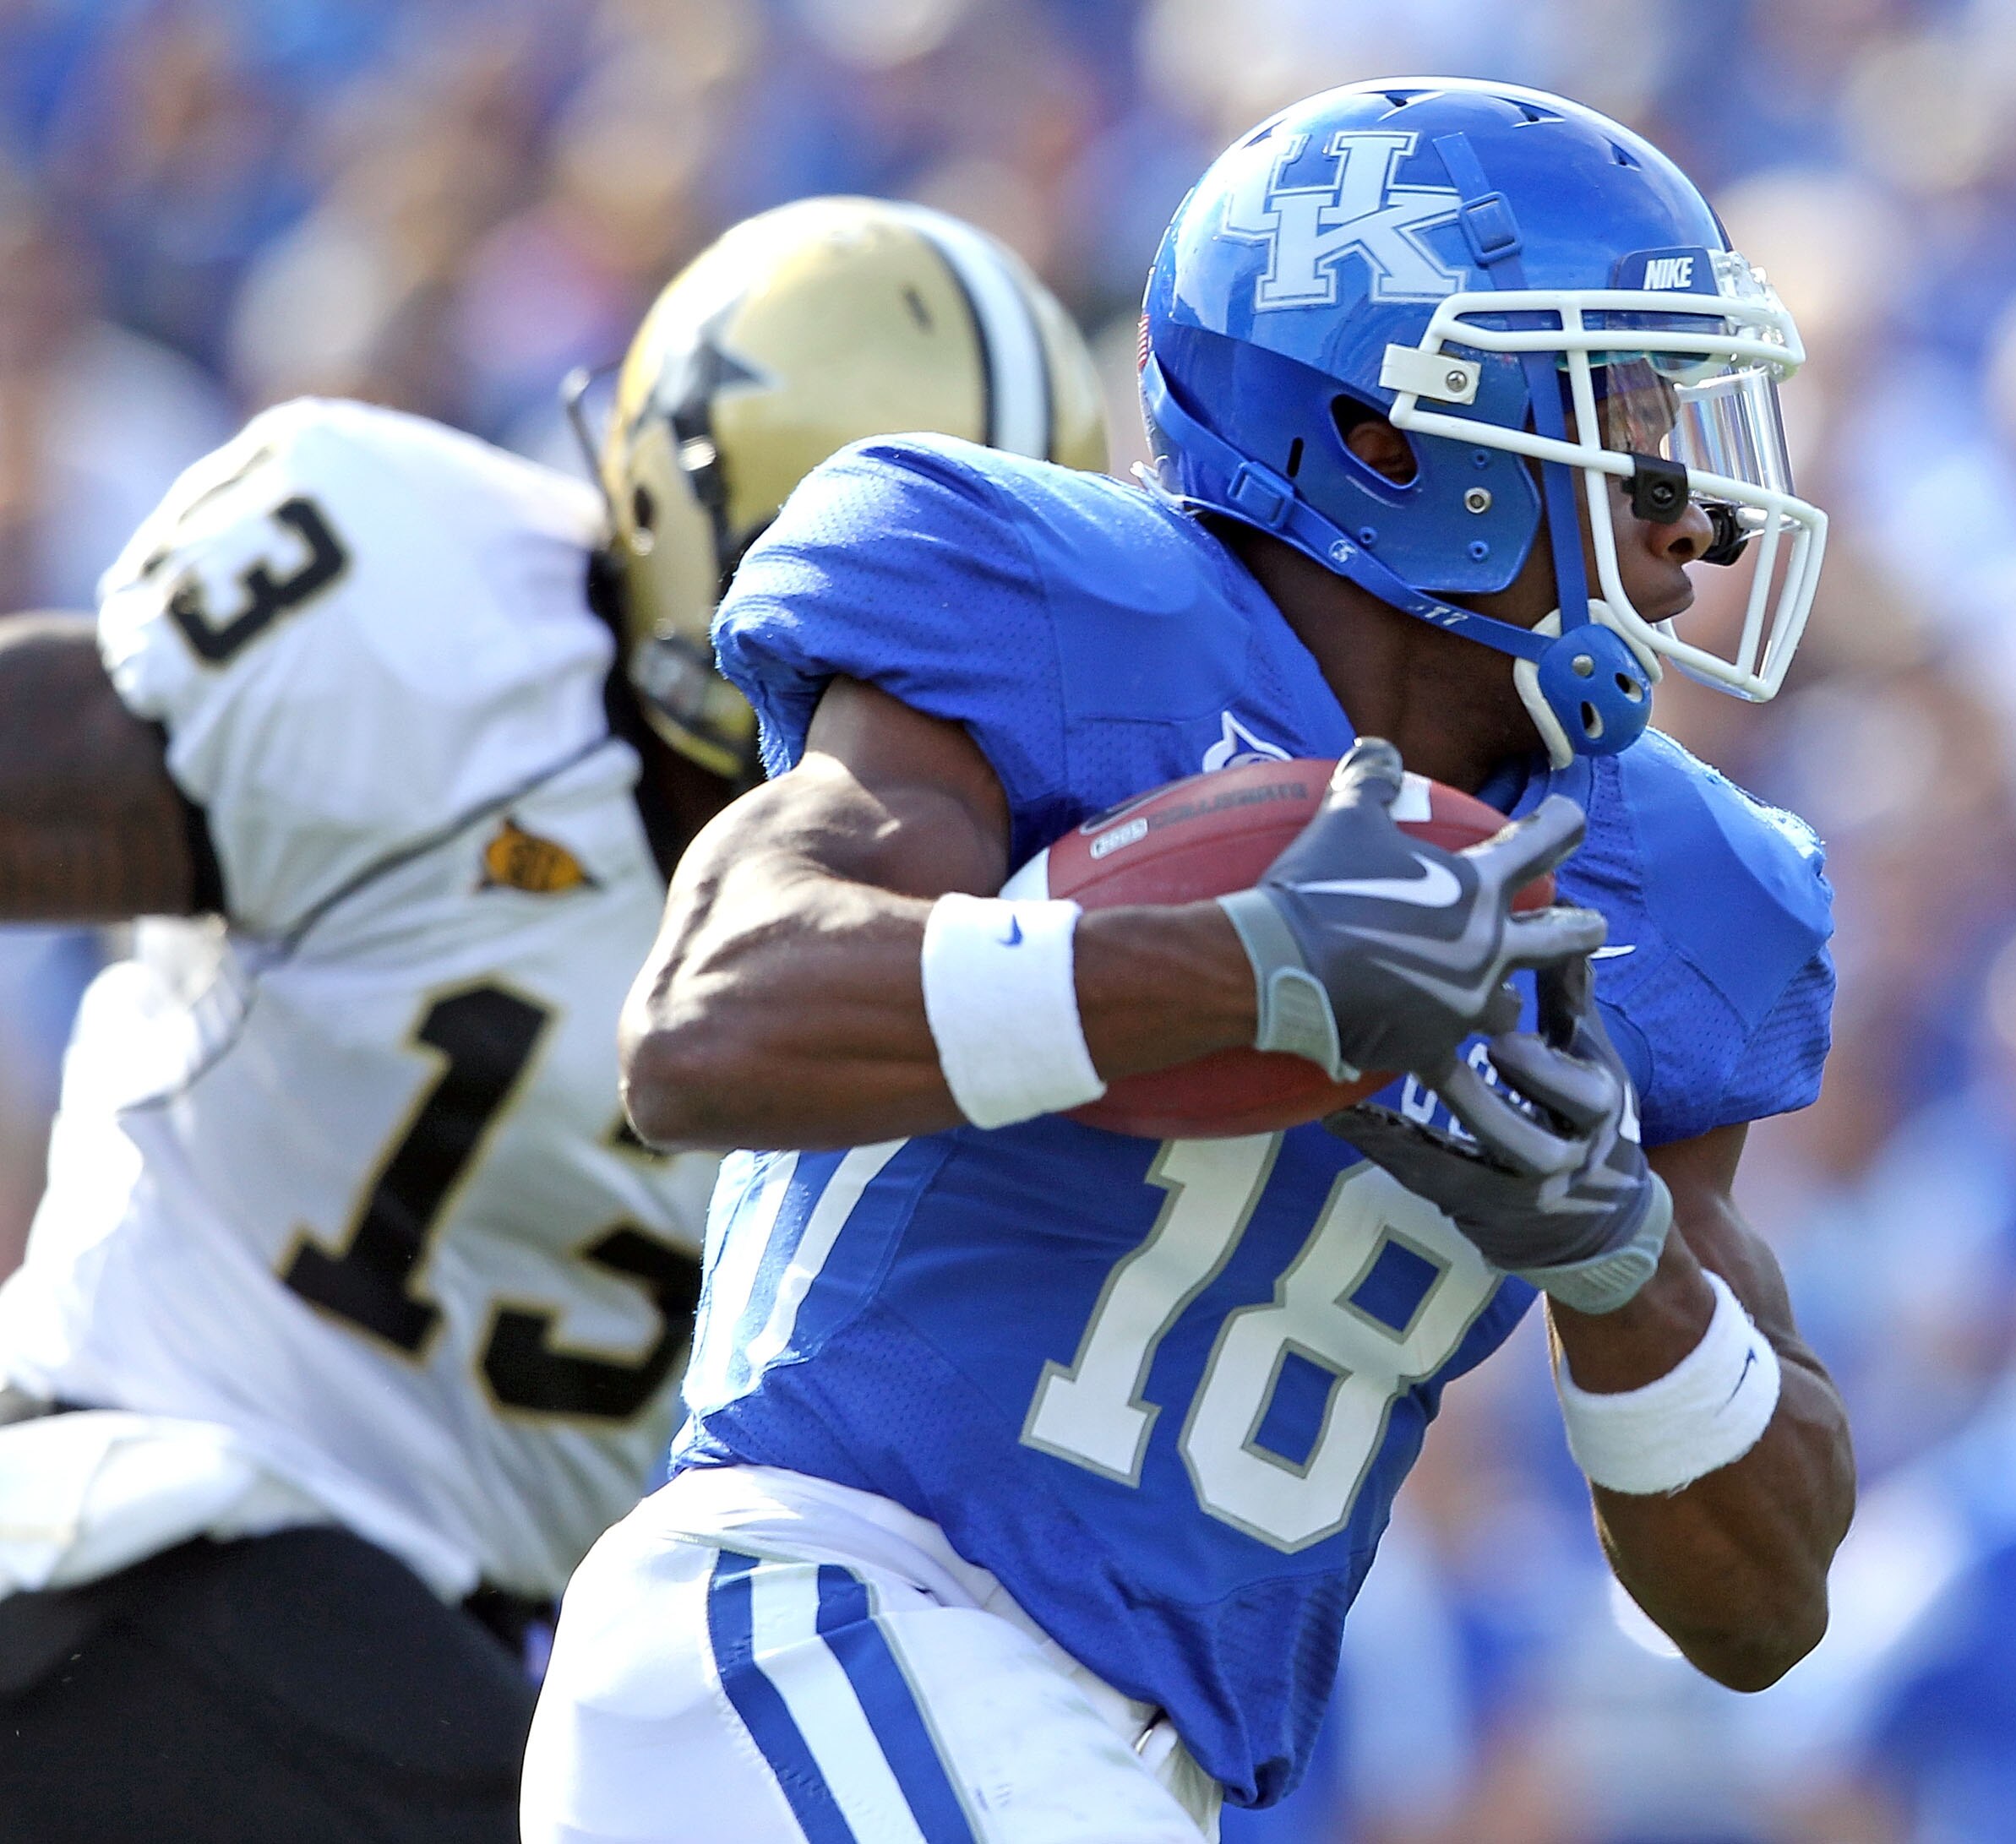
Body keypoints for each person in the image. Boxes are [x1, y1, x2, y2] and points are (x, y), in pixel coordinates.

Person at [528, 78, 1855, 1843]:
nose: (1694, 508)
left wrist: (1623, 1269)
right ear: (1390, 434)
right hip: (831, 1617)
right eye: (1616, 406)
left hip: (1116, 1763)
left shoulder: (1686, 887)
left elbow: (1763, 1612)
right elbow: (706, 1026)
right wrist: (1235, 968)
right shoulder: (1055, 601)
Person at [0, 196, 1106, 1844]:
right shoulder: (414, 624)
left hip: (472, 1666)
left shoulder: (1003, 932)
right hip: (150, 1508)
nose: (930, 684)